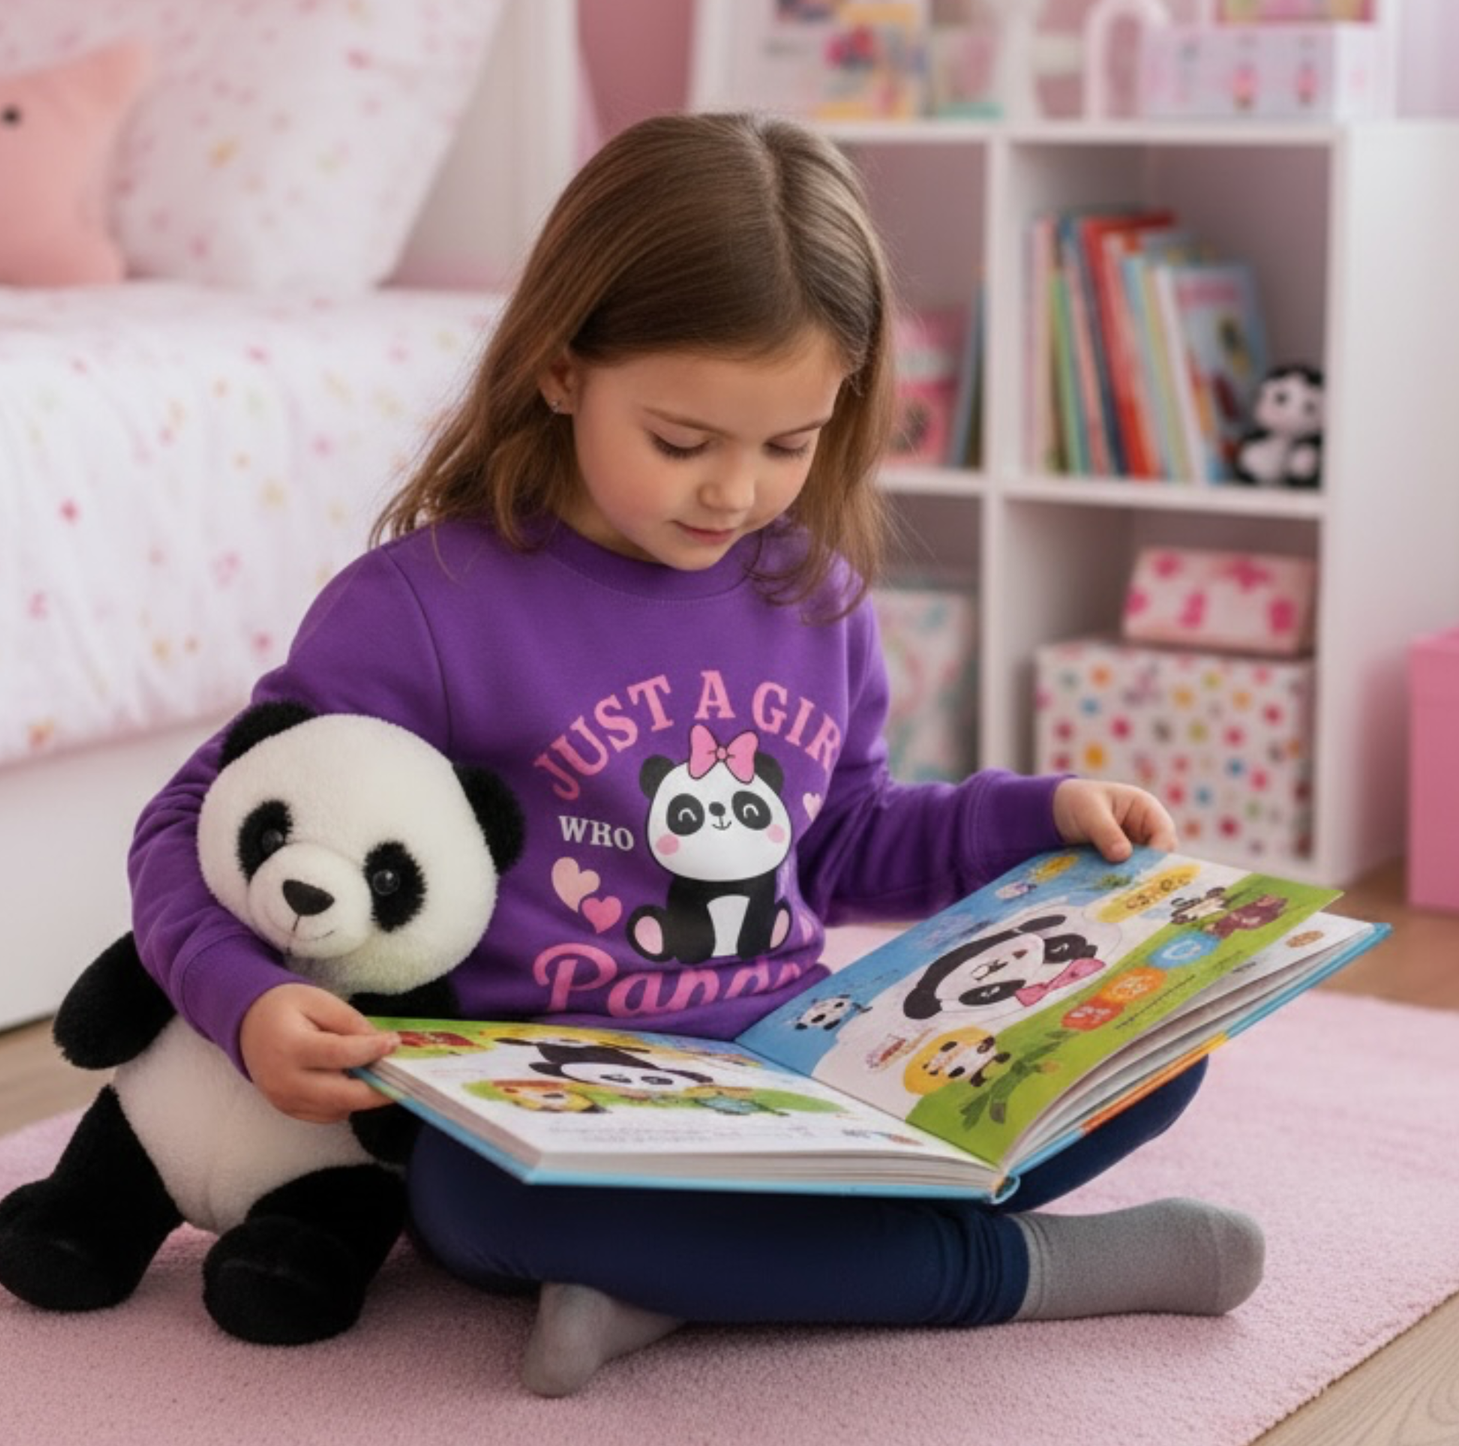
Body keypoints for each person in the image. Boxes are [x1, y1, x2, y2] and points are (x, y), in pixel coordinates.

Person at [129, 111, 1263, 1395]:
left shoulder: (814, 595)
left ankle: (663, 1289)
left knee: (1158, 1055)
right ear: (563, 369)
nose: (736, 493)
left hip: (792, 1065)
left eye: (791, 444)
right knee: (470, 1209)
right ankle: (1038, 1272)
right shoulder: (422, 606)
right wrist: (245, 998)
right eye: (683, 442)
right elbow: (191, 826)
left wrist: (1041, 815)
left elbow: (836, 841)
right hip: (549, 1109)